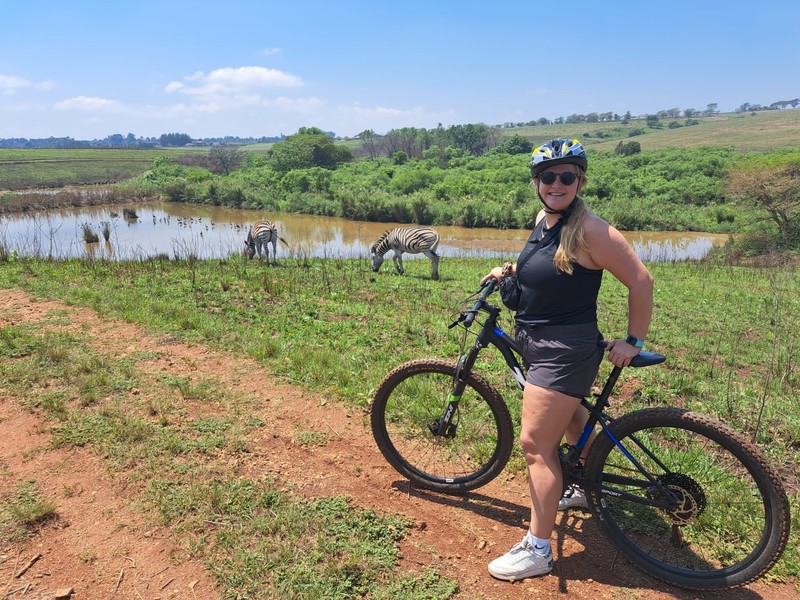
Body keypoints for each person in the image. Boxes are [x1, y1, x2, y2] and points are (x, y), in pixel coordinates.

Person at [480, 138, 654, 581]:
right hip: (538, 341)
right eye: (547, 176)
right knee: (572, 419)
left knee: (536, 446)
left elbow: (641, 281)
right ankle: (579, 483)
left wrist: (633, 340)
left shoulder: (592, 230)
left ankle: (537, 549)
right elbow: (544, 266)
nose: (555, 184)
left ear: (580, 181)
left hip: (563, 351)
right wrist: (509, 271)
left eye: (566, 176)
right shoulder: (544, 220)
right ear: (537, 182)